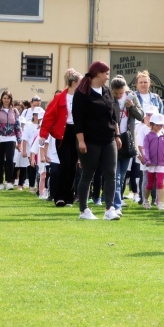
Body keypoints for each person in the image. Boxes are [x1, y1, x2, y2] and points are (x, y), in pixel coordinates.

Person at [73, 61, 122, 221]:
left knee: (111, 174)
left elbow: (113, 115)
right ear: (98, 73)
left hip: (108, 140)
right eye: (106, 74)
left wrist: (117, 135)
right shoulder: (82, 93)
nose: (108, 77)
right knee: (87, 174)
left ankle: (109, 209)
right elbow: (77, 119)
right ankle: (83, 210)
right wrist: (81, 141)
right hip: (89, 140)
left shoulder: (107, 91)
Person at [40, 69, 81, 207]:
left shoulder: (82, 97)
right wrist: (43, 135)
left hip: (78, 133)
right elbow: (49, 117)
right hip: (63, 134)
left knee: (73, 167)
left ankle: (69, 197)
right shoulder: (59, 98)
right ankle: (59, 196)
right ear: (74, 83)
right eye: (80, 83)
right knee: (64, 165)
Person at [110, 76, 145, 215]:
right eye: (116, 93)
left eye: (121, 93)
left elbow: (141, 116)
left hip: (128, 140)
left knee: (122, 174)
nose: (119, 95)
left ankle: (114, 202)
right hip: (112, 140)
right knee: (115, 175)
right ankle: (116, 205)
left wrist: (132, 107)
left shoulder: (132, 96)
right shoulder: (108, 97)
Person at [0, 91, 21, 191]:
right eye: (4, 98)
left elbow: (18, 126)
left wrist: (19, 141)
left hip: (11, 138)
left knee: (9, 160)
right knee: (0, 160)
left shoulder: (15, 111)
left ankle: (9, 182)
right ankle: (0, 182)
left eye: (8, 98)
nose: (6, 100)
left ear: (11, 99)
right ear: (1, 99)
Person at [142, 113, 164, 209]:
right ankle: (145, 200)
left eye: (161, 125)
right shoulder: (148, 136)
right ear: (152, 124)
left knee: (160, 183)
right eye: (157, 124)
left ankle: (160, 203)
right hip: (151, 164)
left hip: (161, 164)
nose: (160, 127)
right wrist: (147, 160)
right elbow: (146, 149)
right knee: (150, 184)